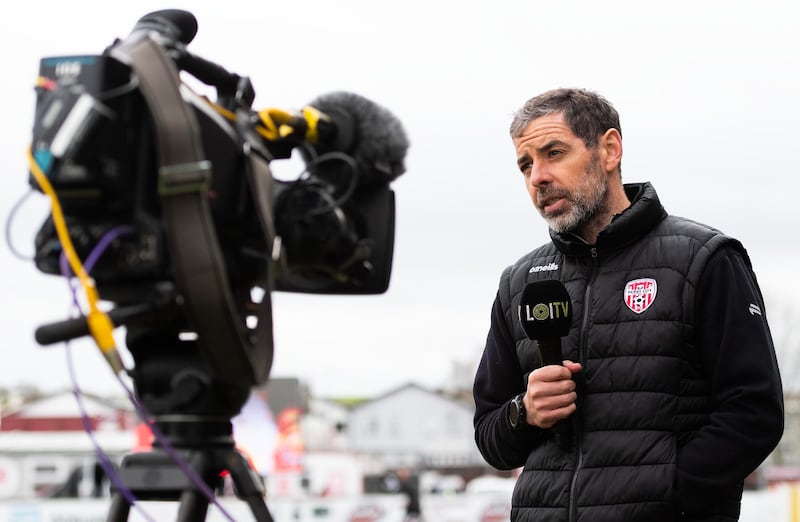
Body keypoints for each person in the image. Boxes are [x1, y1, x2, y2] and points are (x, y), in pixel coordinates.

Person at [472, 87, 784, 522]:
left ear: (610, 149)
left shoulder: (704, 258)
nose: (537, 177)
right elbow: (491, 439)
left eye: (554, 153)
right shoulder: (519, 284)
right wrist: (525, 412)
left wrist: (664, 494)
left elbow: (753, 414)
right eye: (526, 164)